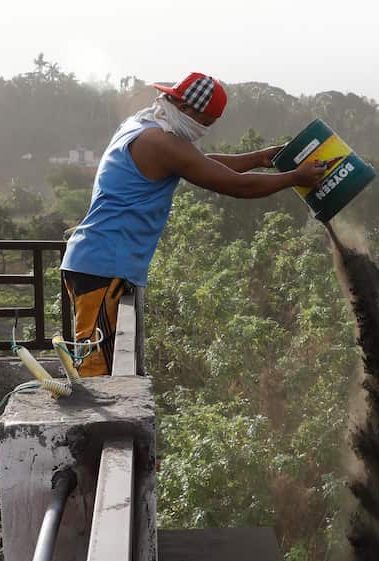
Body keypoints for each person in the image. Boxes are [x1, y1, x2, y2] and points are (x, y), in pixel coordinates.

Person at [59, 71, 329, 376]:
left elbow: (198, 162)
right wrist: (295, 177)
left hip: (98, 261)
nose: (204, 130)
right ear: (187, 109)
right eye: (207, 122)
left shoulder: (142, 125)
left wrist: (259, 158)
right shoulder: (159, 142)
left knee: (107, 364)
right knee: (97, 372)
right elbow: (237, 186)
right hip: (105, 266)